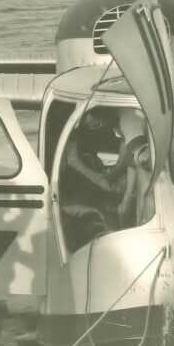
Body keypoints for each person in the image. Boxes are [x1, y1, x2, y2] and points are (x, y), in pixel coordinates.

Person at [58, 107, 141, 251]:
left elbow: (126, 146)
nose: (96, 127)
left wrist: (113, 173)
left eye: (99, 125)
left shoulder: (122, 120)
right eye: (96, 125)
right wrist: (101, 179)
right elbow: (72, 159)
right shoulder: (68, 117)